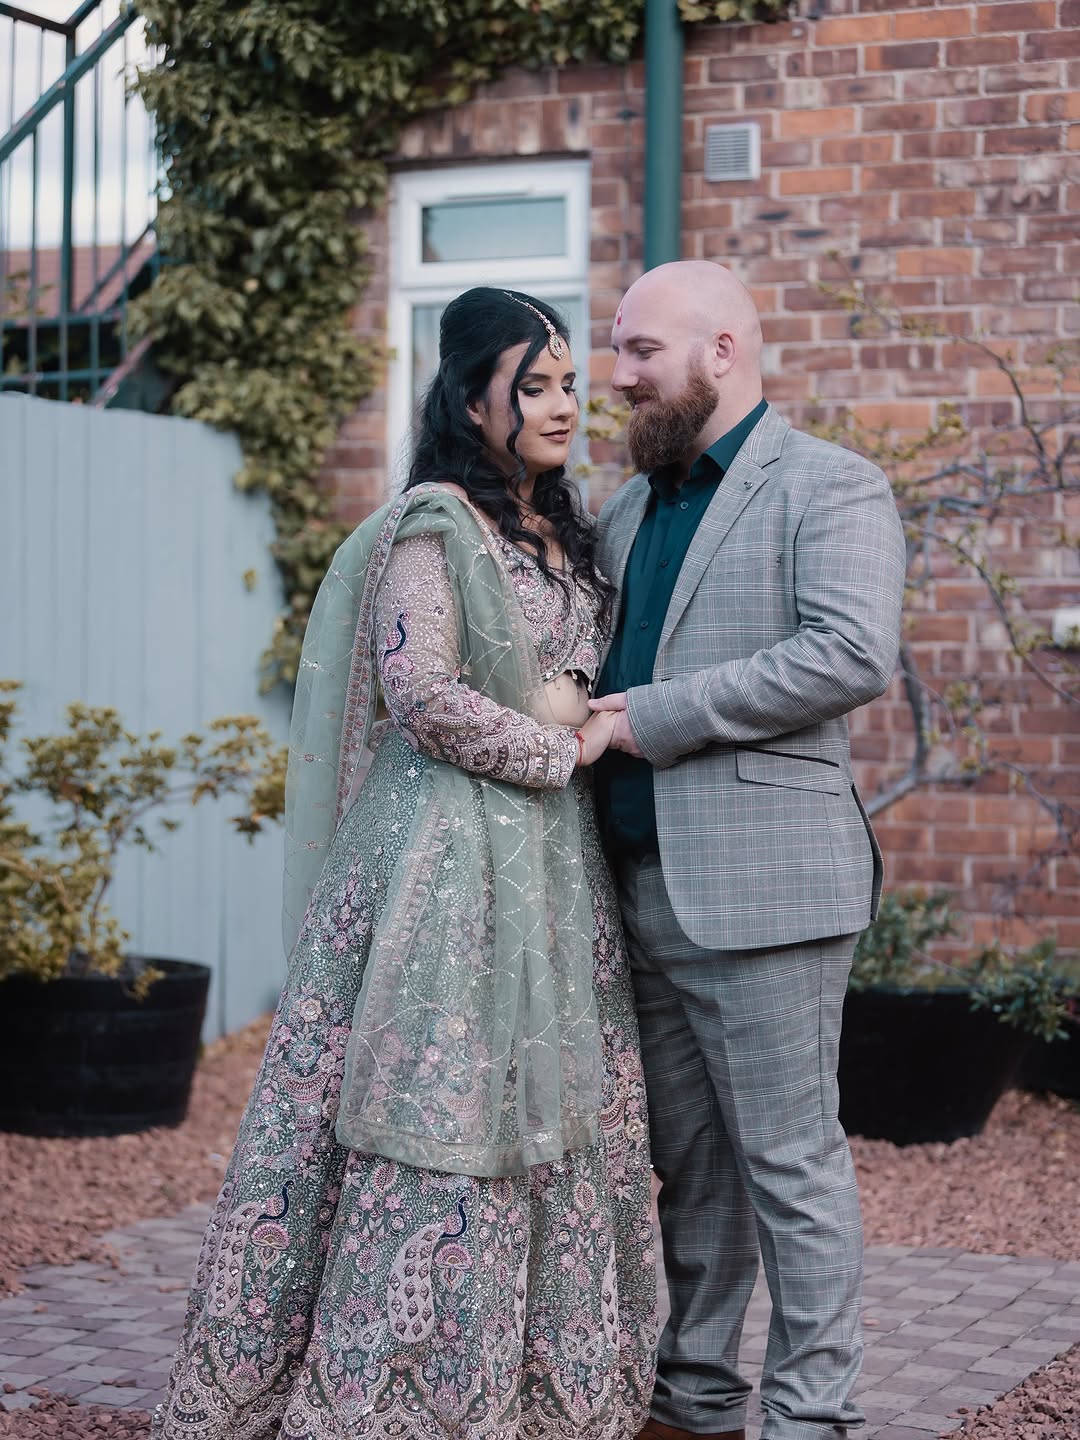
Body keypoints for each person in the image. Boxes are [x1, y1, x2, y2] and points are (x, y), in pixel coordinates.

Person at [153, 288, 657, 1440]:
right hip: (445, 862)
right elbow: (420, 694)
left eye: (571, 382)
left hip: (548, 866)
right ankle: (391, 1398)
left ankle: (534, 1395)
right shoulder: (435, 525)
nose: (563, 404)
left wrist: (578, 727)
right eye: (534, 383)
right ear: (469, 392)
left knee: (548, 1112)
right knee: (439, 1110)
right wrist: (559, 745)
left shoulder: (561, 524)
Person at [588, 260, 907, 1440]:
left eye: (639, 352)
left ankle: (813, 1418)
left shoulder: (831, 486)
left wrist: (644, 715)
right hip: (635, 887)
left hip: (770, 892)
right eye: (616, 351)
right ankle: (697, 1398)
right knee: (693, 1171)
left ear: (723, 351)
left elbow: (847, 653)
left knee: (791, 1169)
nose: (618, 377)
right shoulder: (625, 509)